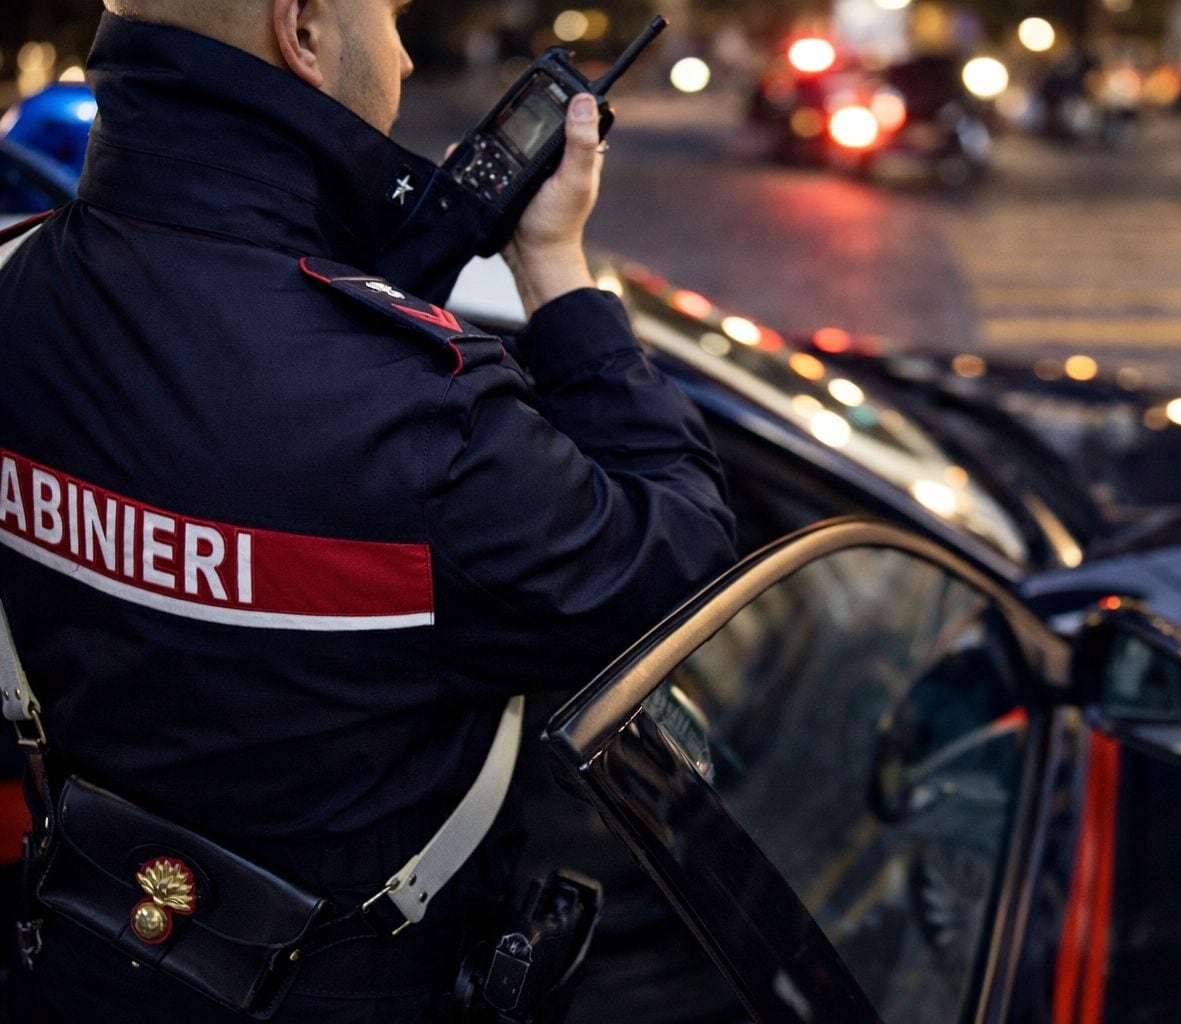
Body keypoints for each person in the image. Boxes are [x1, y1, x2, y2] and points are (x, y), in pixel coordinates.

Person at [0, 0, 737, 1020]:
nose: (403, 53)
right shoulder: (423, 417)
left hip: (76, 967)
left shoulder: (17, 290)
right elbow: (679, 565)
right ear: (303, 29)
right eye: (389, 14)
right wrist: (558, 272)